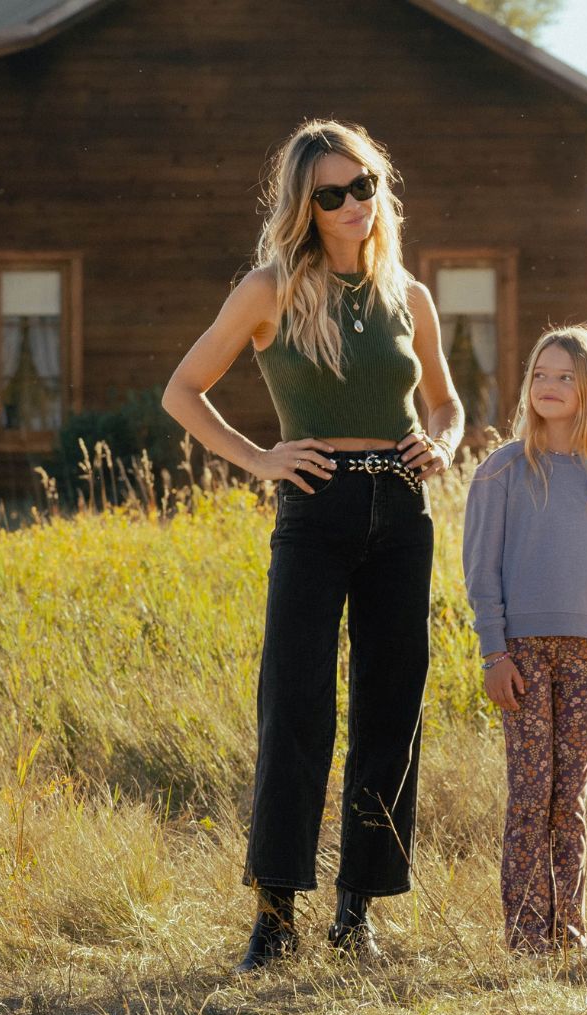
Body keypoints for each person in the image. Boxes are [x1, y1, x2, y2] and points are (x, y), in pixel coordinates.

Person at [162, 119, 463, 972]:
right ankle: (275, 916)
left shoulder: (410, 294)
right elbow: (183, 391)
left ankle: (357, 911)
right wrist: (262, 458)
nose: (353, 204)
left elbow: (445, 403)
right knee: (295, 706)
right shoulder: (268, 290)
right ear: (305, 205)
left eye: (364, 185)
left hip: (402, 506)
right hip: (315, 504)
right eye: (332, 194)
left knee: (390, 706)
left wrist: (443, 443)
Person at [463, 325, 587, 953]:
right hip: (521, 653)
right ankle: (525, 935)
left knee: (571, 797)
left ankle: (568, 929)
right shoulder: (502, 470)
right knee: (530, 794)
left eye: (565, 376)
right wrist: (493, 650)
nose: (549, 386)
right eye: (540, 375)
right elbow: (481, 570)